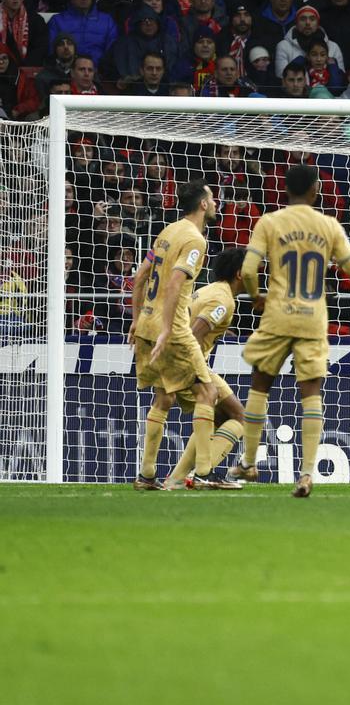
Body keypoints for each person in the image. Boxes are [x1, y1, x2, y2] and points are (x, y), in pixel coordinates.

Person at [229, 165, 350, 498]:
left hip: (277, 315)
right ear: (316, 189)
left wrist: (257, 297)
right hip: (312, 318)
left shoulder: (270, 223)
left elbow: (248, 270)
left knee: (260, 385)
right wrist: (327, 262)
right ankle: (306, 474)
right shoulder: (328, 225)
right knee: (311, 394)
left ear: (285, 189)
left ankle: (248, 462)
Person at [127, 181, 238, 490]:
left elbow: (139, 277)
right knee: (207, 392)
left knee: (164, 397)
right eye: (213, 198)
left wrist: (137, 321)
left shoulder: (168, 231)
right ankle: (203, 472)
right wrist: (166, 329)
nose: (216, 203)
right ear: (203, 204)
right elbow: (176, 281)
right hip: (172, 330)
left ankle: (147, 474)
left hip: (147, 325)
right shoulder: (194, 239)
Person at [162, 248, 249, 489]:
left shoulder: (209, 290)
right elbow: (195, 332)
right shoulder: (223, 300)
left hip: (176, 359)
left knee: (221, 418)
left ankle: (176, 480)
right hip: (188, 362)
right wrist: (198, 374)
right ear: (241, 274)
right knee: (240, 417)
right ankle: (202, 473)